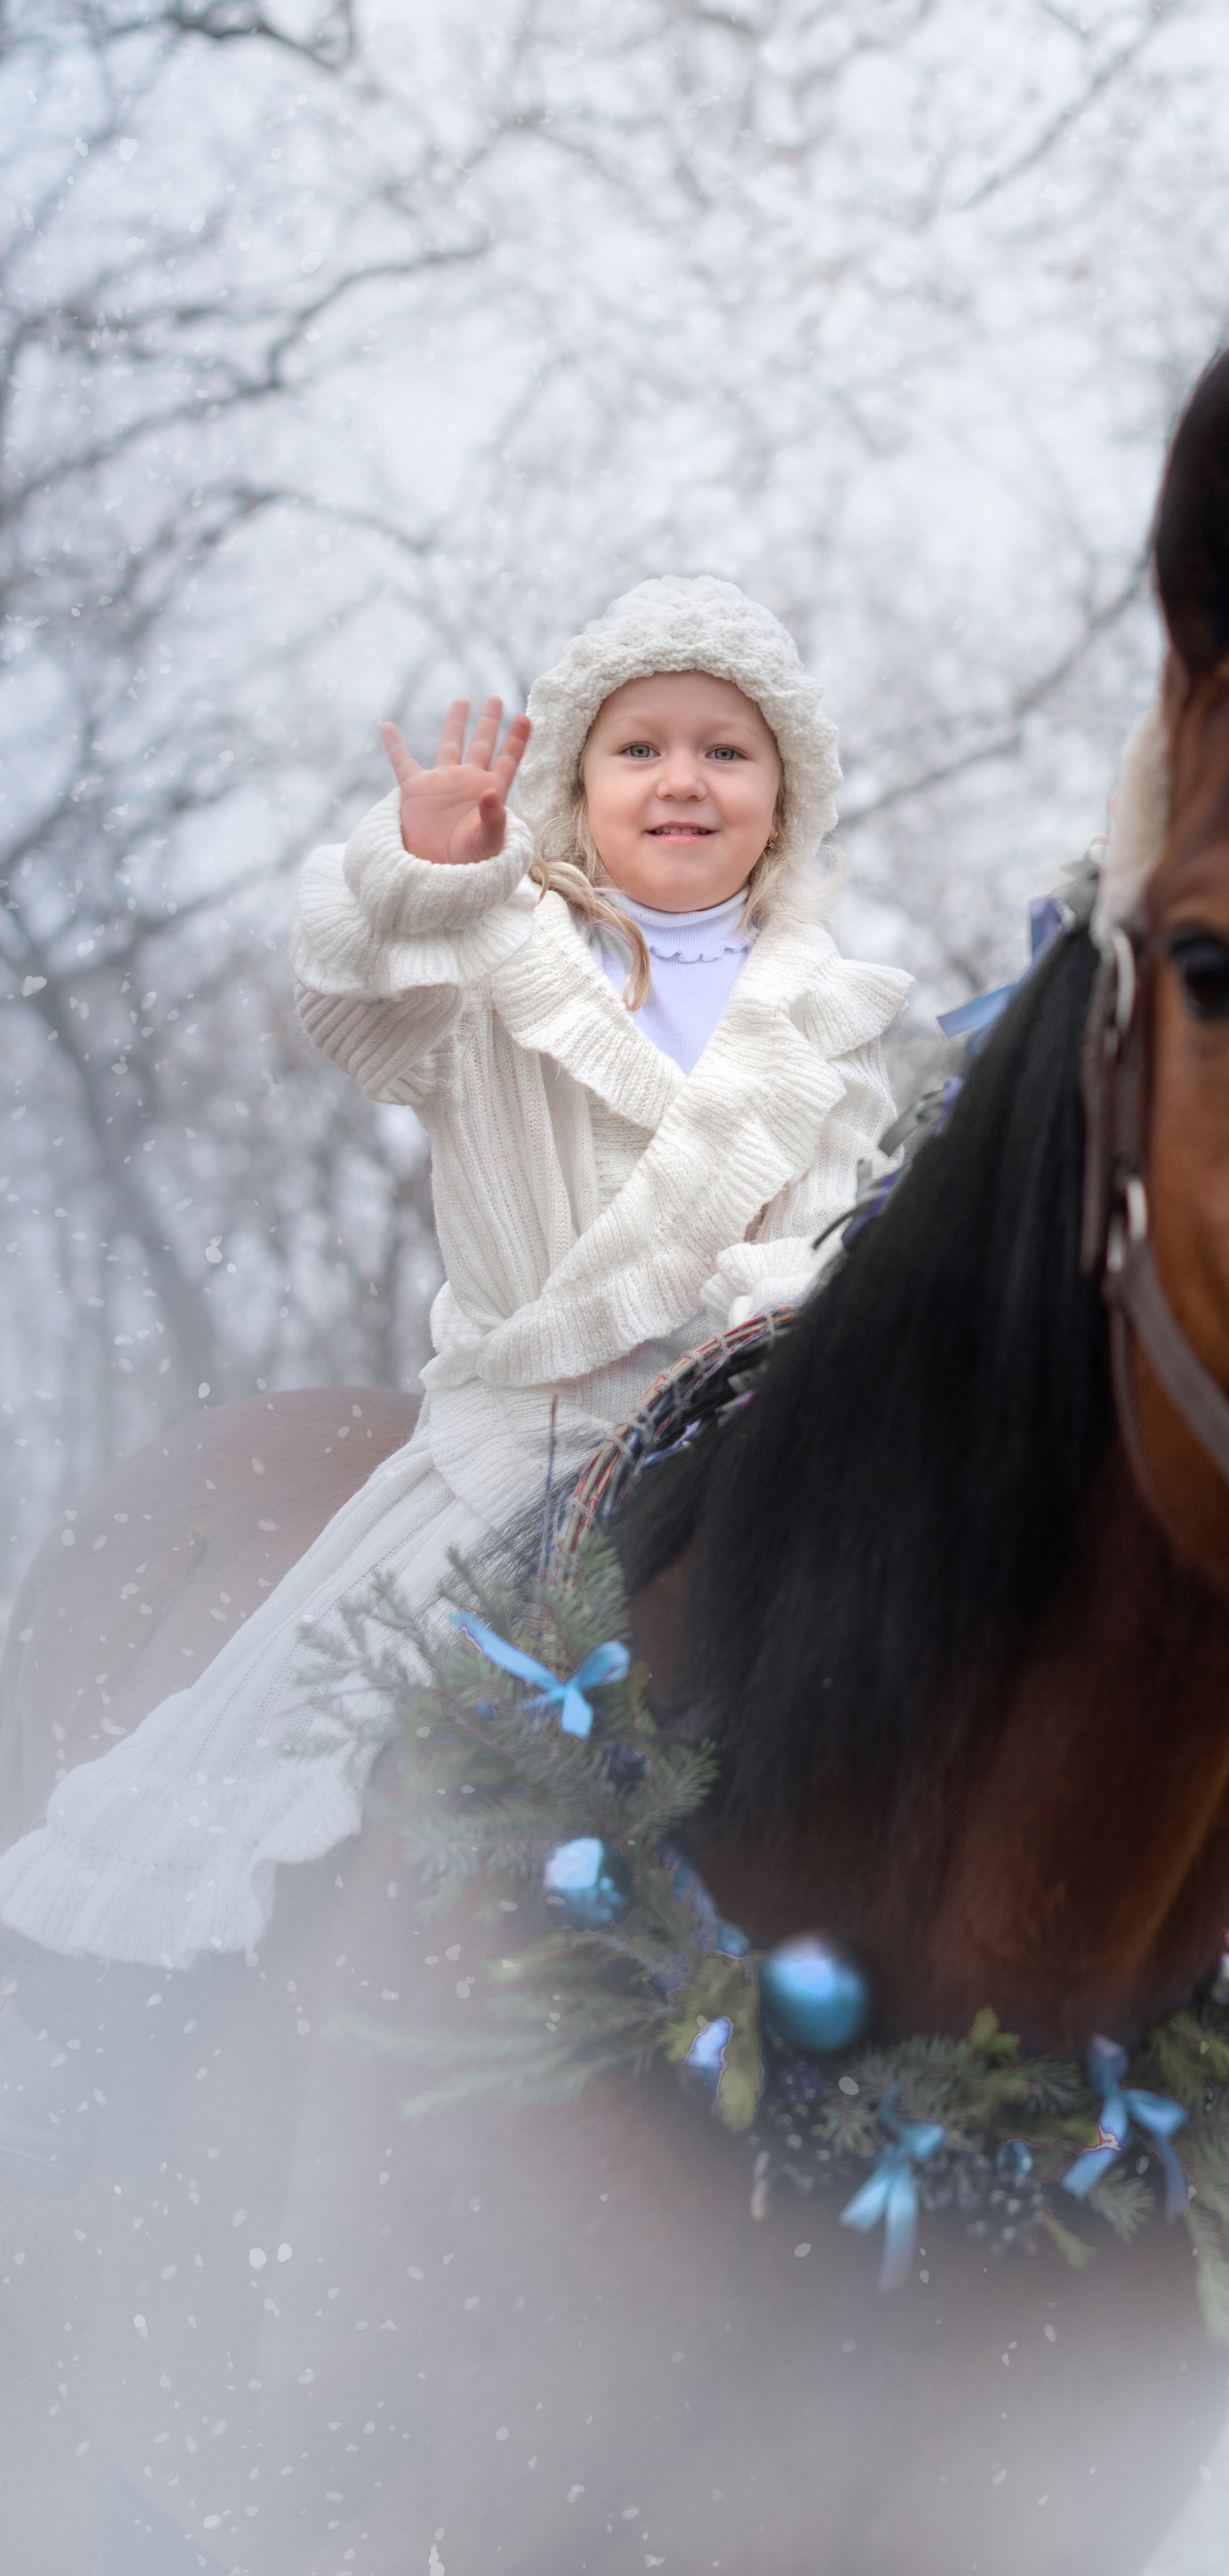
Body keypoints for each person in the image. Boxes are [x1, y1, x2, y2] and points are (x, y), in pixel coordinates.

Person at [0, 575, 911, 2195]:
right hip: (540, 1426)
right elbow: (358, 1013)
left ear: (785, 798)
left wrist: (807, 1296)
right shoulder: (500, 960)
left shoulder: (829, 1013)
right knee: (316, 1716)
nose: (684, 781)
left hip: (775, 1433)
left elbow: (852, 1213)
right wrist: (420, 872)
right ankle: (213, 2012)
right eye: (641, 747)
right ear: (576, 781)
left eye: (727, 751)